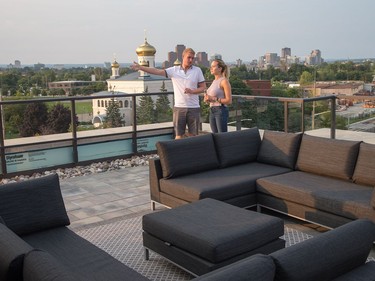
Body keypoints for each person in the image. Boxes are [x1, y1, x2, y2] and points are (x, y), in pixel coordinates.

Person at [131, 48, 206, 139]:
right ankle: (178, 153)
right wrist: (140, 67)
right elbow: (157, 71)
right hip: (179, 108)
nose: (191, 60)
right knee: (178, 135)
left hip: (194, 107)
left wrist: (192, 91)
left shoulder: (197, 70)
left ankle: (192, 153)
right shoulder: (174, 70)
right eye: (189, 57)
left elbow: (203, 88)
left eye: (192, 58)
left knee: (193, 136)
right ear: (183, 57)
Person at [204, 59, 232, 133]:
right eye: (211, 66)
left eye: (213, 66)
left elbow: (229, 100)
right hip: (212, 110)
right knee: (215, 136)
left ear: (220, 68)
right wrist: (207, 99)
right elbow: (212, 98)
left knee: (222, 137)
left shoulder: (224, 81)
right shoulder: (214, 81)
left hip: (220, 110)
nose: (211, 68)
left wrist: (213, 98)